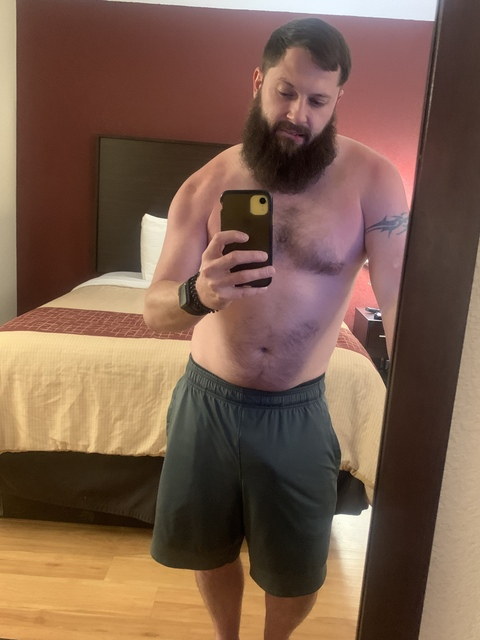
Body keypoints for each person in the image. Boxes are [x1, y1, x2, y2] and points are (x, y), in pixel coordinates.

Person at [144, 17, 408, 640]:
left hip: (298, 408)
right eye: (286, 92)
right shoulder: (208, 184)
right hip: (207, 402)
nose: (298, 114)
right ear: (258, 81)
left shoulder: (373, 182)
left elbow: (399, 299)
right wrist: (199, 292)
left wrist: (415, 403)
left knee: (298, 572)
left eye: (318, 100)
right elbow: (154, 311)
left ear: (338, 99)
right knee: (207, 549)